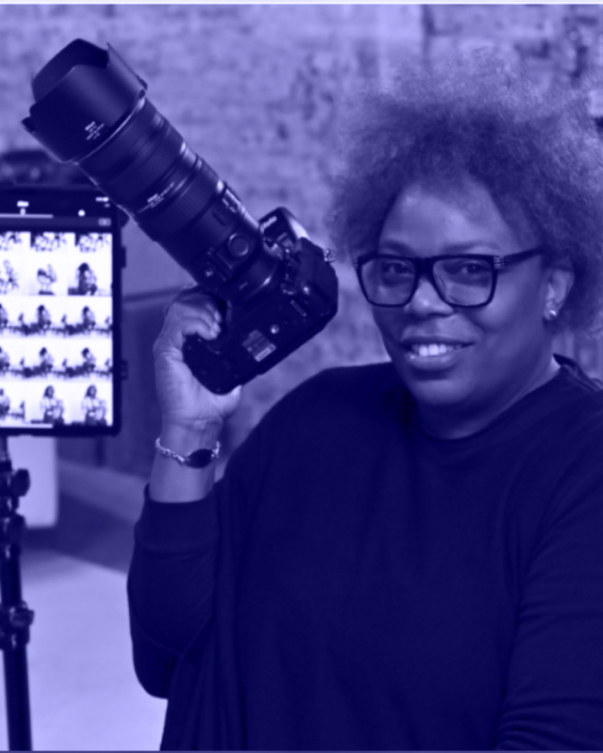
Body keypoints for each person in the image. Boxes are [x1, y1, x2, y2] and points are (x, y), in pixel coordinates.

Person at [127, 55, 603, 750]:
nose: (420, 302)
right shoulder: (315, 416)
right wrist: (189, 429)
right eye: (395, 268)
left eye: (469, 269)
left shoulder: (581, 470)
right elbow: (166, 654)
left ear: (554, 283)